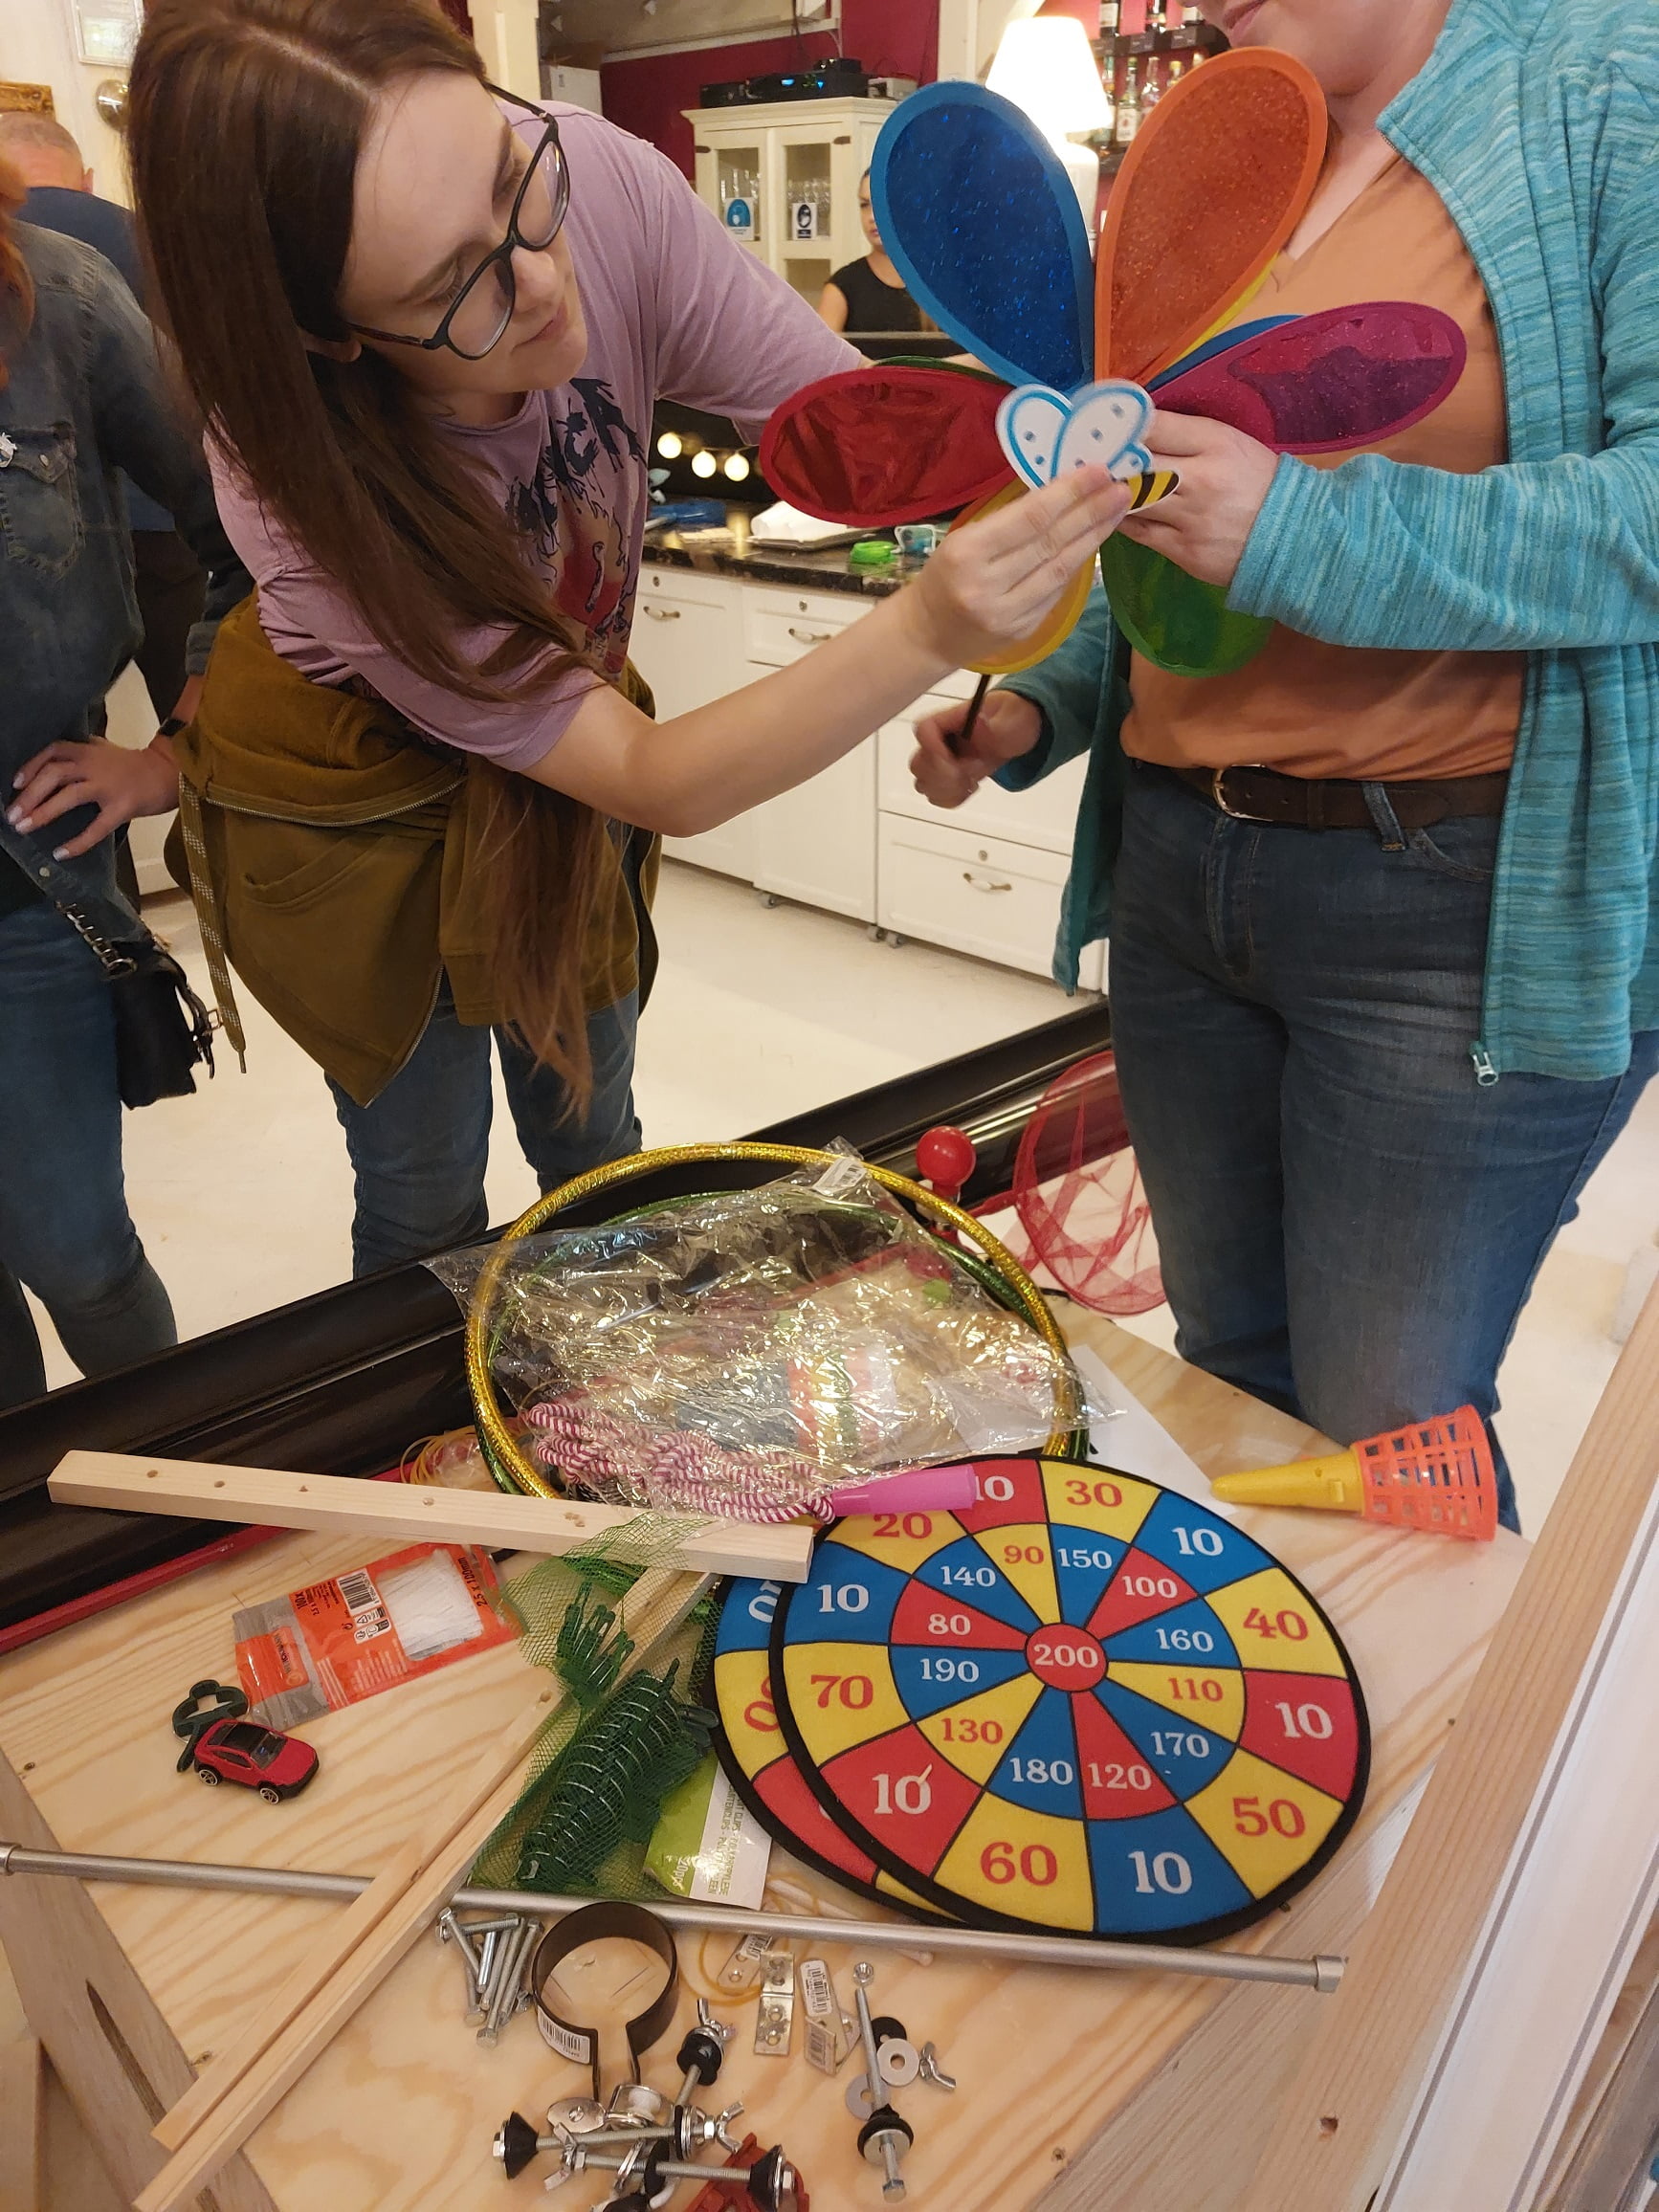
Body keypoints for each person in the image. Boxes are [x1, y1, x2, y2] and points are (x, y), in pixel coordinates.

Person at [117, 0, 1125, 1279]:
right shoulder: (306, 503)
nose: (545, 279)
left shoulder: (591, 179)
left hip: (560, 739)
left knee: (594, 1142)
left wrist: (1064, 452)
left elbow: (857, 430)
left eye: (510, 181)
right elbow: (657, 778)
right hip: (350, 797)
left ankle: (614, 1384)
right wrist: (929, 622)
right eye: (455, 288)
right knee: (425, 1183)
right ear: (327, 334)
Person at [910, 0, 1659, 1531]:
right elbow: (1165, 516)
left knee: (1390, 1421)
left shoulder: (1604, 82)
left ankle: (1446, 1767)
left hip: (1451, 901)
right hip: (1182, 874)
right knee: (1232, 1366)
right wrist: (1044, 698)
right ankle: (1286, 1724)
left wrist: (1314, 535)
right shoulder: (1220, 153)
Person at [0, 155, 251, 1407]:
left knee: (75, 1252)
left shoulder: (59, 298)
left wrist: (171, 755)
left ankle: (178, 1491)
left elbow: (254, 535)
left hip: (28, 886)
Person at [0, 110, 206, 724]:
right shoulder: (146, 235)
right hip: (167, 523)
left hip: (67, 514)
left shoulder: (56, 269)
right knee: (186, 698)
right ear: (87, 176)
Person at [818, 171, 927, 336]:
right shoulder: (842, 287)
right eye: (864, 205)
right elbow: (823, 357)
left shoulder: (938, 281)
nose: (871, 216)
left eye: (882, 204)